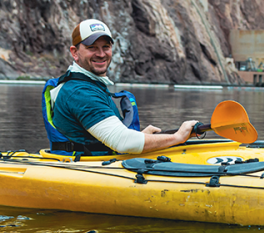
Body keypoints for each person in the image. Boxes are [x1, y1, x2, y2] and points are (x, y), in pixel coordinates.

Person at [43, 19, 198, 155]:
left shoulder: (87, 85)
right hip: (86, 168)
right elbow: (122, 142)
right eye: (92, 48)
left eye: (106, 47)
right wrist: (177, 137)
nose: (101, 54)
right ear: (75, 52)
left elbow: (110, 138)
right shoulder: (80, 93)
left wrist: (144, 136)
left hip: (97, 159)